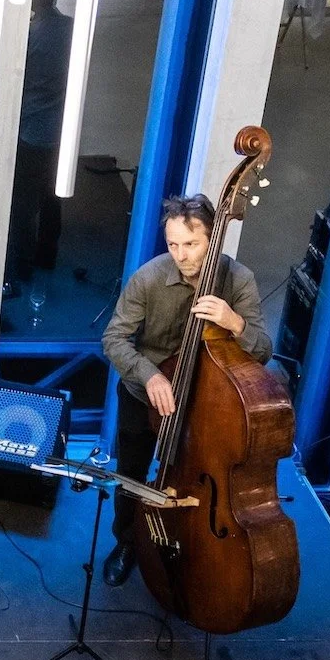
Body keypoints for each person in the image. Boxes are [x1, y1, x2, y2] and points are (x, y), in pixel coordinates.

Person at [98, 193, 271, 586]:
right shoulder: (148, 278)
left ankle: (194, 541)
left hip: (209, 403)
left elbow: (263, 350)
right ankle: (127, 542)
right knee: (133, 473)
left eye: (191, 244)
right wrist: (150, 374)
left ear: (214, 239)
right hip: (147, 394)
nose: (181, 255)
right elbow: (114, 339)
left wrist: (235, 322)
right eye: (173, 244)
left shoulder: (238, 279)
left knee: (201, 477)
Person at [7, 0, 73, 291]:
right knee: (52, 196)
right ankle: (48, 255)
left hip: (31, 130)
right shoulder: (71, 29)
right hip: (62, 130)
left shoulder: (28, 35)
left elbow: (15, 82)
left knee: (22, 203)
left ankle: (21, 266)